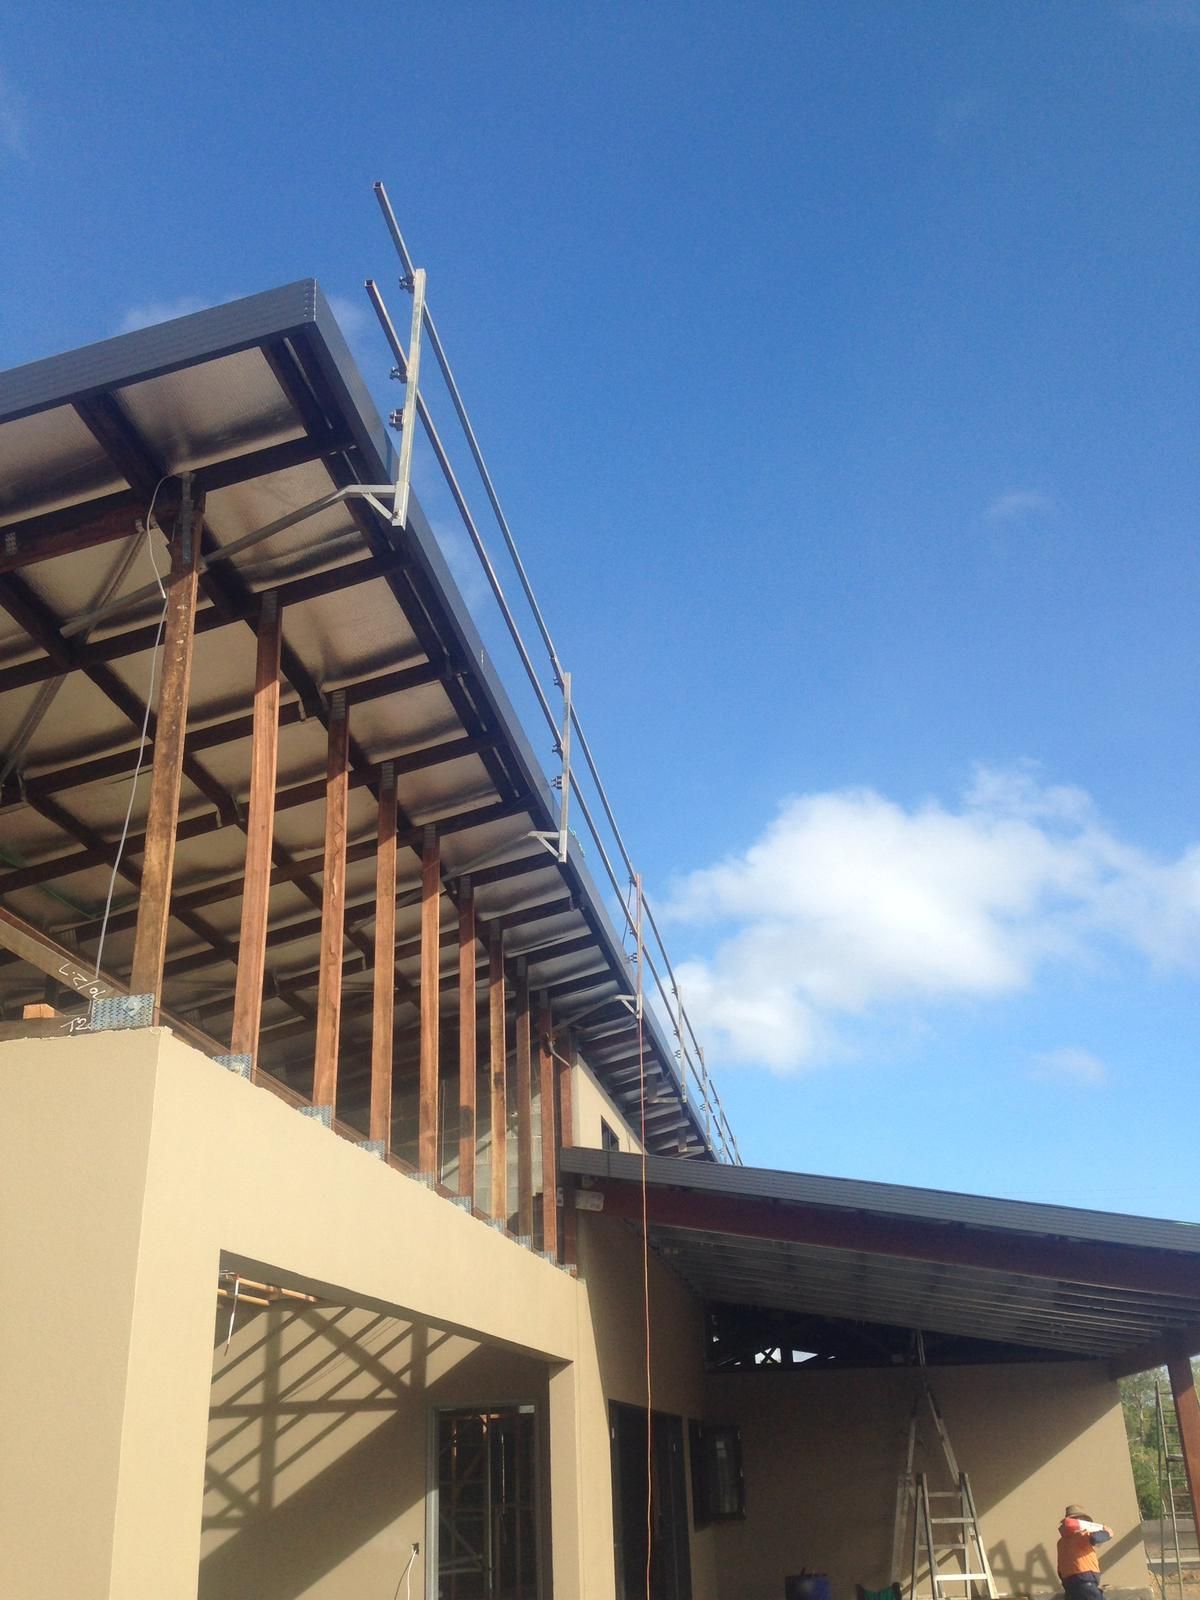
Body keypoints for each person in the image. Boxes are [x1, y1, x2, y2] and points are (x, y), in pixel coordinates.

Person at [1057, 1503, 1113, 1600]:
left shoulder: (1061, 1542)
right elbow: (1095, 1538)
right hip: (1085, 1581)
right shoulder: (1080, 1535)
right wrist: (1108, 1533)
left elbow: (1060, 1570)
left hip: (1069, 1584)